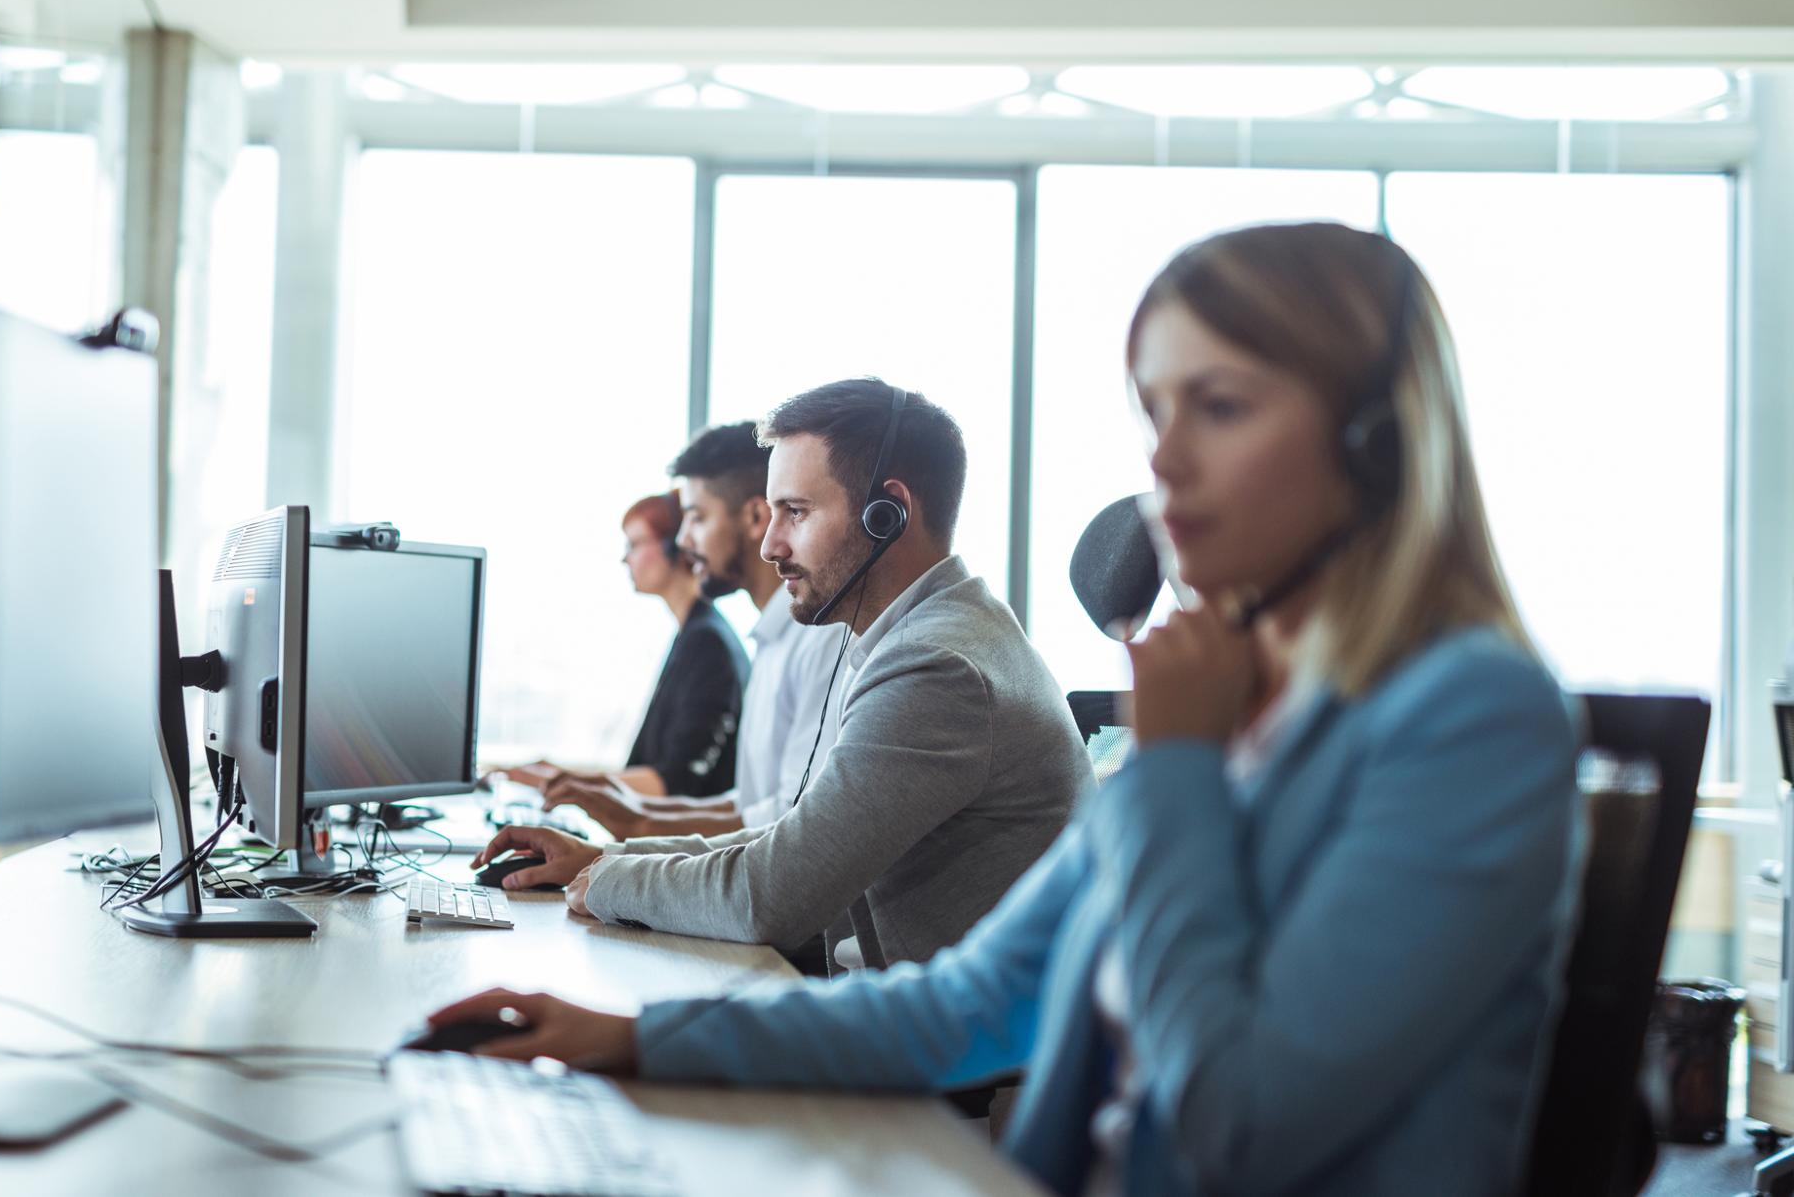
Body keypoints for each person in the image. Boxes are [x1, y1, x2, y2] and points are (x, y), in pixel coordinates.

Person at [430, 223, 1581, 1197]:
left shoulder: (1469, 719)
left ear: (1375, 448)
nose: (1162, 462)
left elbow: (1240, 1129)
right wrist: (631, 1038)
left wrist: (1174, 770)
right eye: (1153, 412)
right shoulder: (1234, 715)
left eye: (1218, 408)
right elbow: (967, 1004)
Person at [472, 381, 1094, 976]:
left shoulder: (936, 668)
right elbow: (793, 842)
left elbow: (770, 896)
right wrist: (608, 857)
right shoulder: (942, 633)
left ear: (890, 514)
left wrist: (605, 882)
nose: (770, 545)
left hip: (955, 1070)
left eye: (795, 512)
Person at [538, 422, 847, 840]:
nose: (683, 541)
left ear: (755, 516)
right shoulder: (770, 640)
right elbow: (749, 805)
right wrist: (626, 807)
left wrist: (628, 838)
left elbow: (788, 824)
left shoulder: (819, 639)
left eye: (697, 518)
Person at [501, 492, 748, 799]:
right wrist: (558, 774)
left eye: (634, 544)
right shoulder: (692, 634)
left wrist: (561, 781)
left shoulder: (707, 644)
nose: (624, 558)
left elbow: (674, 782)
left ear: (676, 546)